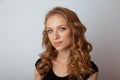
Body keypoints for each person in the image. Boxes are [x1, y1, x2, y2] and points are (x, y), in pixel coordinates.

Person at [34, 6, 98, 80]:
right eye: (50, 31)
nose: (55, 36)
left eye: (61, 29)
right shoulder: (41, 65)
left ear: (74, 31)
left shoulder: (89, 70)